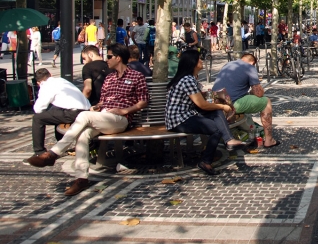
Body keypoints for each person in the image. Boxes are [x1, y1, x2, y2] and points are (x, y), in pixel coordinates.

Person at [27, 44, 148, 196]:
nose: (106, 59)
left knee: (83, 116)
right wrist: (96, 107)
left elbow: (143, 101)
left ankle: (53, 154)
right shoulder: (109, 78)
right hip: (103, 117)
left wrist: (125, 110)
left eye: (109, 56)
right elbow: (103, 101)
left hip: (121, 119)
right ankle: (81, 178)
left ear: (118, 58)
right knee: (83, 135)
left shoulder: (136, 76)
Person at [166, 49, 249, 175]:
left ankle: (229, 140)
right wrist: (223, 106)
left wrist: (217, 105)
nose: (201, 61)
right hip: (179, 120)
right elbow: (202, 105)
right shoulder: (187, 80)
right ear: (192, 63)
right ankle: (206, 161)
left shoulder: (190, 78)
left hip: (187, 114)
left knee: (216, 113)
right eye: (199, 59)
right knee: (216, 128)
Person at [212, 54, 279, 148]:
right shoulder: (250, 67)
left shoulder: (228, 64)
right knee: (266, 102)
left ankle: (246, 129)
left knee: (247, 97)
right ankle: (269, 140)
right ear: (252, 63)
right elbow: (259, 93)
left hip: (216, 103)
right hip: (232, 104)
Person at [30, 68, 90, 157]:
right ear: (50, 75)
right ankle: (60, 145)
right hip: (85, 110)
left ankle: (39, 152)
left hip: (73, 113)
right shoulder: (61, 80)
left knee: (37, 118)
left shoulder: (46, 86)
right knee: (54, 112)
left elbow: (38, 109)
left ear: (38, 82)